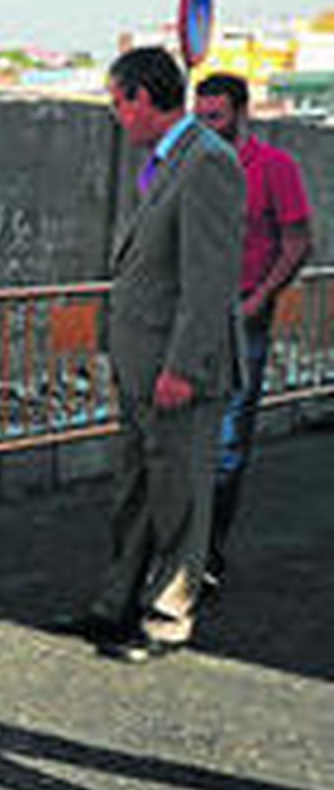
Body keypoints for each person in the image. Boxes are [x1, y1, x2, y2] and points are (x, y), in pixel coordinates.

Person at [74, 47, 245, 664]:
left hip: (178, 370)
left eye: (119, 101)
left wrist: (183, 365)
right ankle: (116, 605)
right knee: (138, 490)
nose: (117, 115)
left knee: (180, 496)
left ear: (145, 97)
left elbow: (208, 280)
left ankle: (169, 616)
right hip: (145, 364)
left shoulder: (207, 164)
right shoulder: (172, 161)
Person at [192, 72, 313, 589]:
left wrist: (260, 299)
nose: (207, 127)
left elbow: (298, 240)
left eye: (215, 117)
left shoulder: (274, 168)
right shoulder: (192, 166)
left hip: (244, 316)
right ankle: (178, 550)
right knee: (180, 443)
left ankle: (207, 555)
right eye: (200, 118)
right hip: (192, 313)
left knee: (225, 444)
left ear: (241, 114)